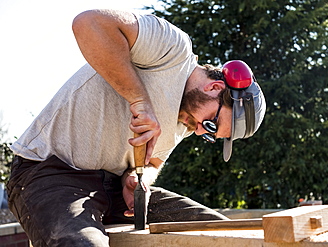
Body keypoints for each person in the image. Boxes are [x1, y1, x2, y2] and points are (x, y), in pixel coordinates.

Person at [6, 9, 266, 247]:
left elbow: (153, 162)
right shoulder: (172, 50)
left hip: (111, 189)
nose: (199, 131)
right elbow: (88, 23)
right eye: (210, 124)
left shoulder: (186, 120)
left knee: (225, 235)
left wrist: (137, 179)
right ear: (215, 88)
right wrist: (140, 101)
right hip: (49, 174)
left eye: (209, 134)